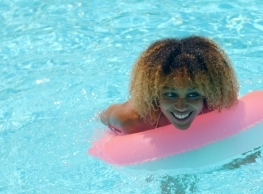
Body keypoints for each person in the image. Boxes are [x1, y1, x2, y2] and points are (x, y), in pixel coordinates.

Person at [99, 36, 239, 134]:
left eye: (193, 94)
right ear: (155, 95)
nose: (181, 106)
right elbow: (103, 117)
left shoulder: (218, 106)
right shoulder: (131, 119)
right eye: (170, 95)